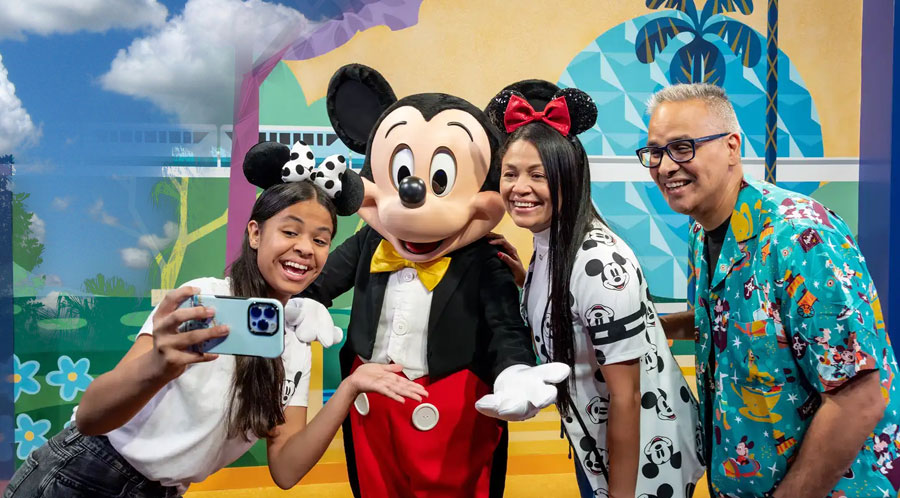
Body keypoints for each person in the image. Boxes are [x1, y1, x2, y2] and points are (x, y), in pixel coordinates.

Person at [4, 143, 427, 498]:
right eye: (290, 231)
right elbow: (91, 419)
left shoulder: (296, 343)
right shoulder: (204, 298)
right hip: (83, 471)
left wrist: (349, 388)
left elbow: (285, 470)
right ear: (255, 233)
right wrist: (157, 366)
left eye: (321, 240)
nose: (306, 249)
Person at [641, 82, 900, 498]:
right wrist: (653, 327)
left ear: (731, 147)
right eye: (655, 152)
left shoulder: (799, 237)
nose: (666, 166)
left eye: (683, 148)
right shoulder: (702, 231)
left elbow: (858, 396)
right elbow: (734, 319)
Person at [484, 80, 703, 498]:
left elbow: (627, 396)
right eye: (510, 173)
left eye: (538, 175)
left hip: (642, 463)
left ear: (569, 180)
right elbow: (575, 318)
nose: (519, 187)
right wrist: (526, 282)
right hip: (595, 447)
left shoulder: (598, 262)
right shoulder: (551, 246)